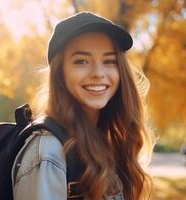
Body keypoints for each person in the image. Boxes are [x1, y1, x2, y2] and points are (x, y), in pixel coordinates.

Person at [11, 12, 154, 200]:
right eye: (81, 61)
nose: (98, 73)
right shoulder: (50, 153)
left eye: (109, 61)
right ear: (59, 73)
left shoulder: (105, 144)